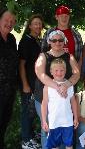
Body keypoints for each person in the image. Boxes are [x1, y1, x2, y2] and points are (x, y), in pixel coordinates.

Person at [35, 30, 80, 149]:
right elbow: (40, 74)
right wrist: (59, 87)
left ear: (64, 41)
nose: (57, 42)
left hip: (65, 99)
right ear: (49, 41)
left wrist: (66, 85)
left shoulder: (69, 56)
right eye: (54, 40)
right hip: (45, 97)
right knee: (48, 129)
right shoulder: (43, 56)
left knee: (66, 131)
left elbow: (77, 74)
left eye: (60, 40)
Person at [18, 14, 44, 149]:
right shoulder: (26, 41)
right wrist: (25, 84)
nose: (38, 26)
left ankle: (31, 134)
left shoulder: (36, 40)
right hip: (28, 84)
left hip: (36, 84)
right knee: (26, 111)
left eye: (40, 24)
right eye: (35, 24)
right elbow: (21, 64)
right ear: (29, 26)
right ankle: (25, 140)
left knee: (32, 111)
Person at [41, 58, 78, 149]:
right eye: (56, 70)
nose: (59, 73)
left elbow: (73, 101)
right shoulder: (47, 86)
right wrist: (44, 120)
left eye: (61, 70)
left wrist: (76, 117)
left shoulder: (69, 85)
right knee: (54, 145)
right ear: (51, 71)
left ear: (65, 71)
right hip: (54, 122)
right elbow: (44, 103)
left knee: (69, 145)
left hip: (67, 122)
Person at [41, 5, 83, 70]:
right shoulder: (49, 32)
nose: (64, 18)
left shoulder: (76, 34)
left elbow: (80, 55)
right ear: (56, 17)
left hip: (71, 70)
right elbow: (43, 51)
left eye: (66, 16)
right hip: (53, 71)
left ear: (69, 17)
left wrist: (78, 70)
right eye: (61, 16)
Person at [0, 9, 18, 149]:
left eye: (12, 21)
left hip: (10, 89)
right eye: (7, 20)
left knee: (4, 121)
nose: (9, 23)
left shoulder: (11, 39)